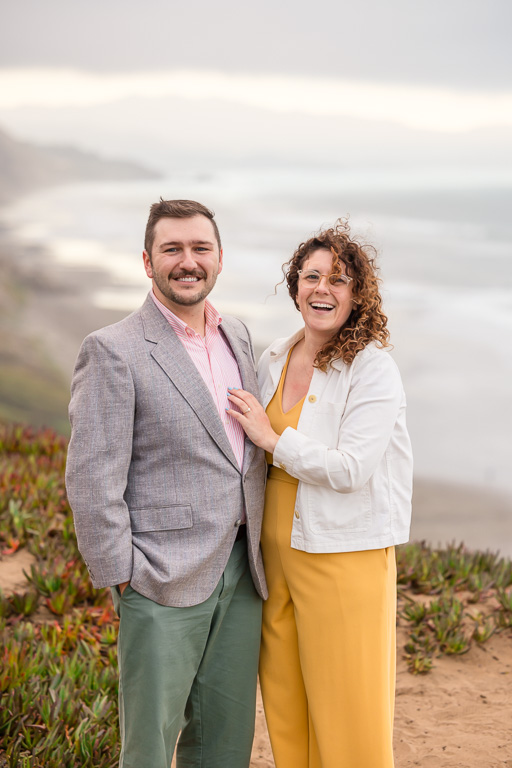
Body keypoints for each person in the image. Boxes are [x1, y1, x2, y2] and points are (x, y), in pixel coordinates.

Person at [65, 199, 267, 768]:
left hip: (242, 569)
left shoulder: (240, 337)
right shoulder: (112, 349)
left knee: (225, 741)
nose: (187, 261)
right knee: (150, 746)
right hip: (157, 576)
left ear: (220, 259)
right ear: (147, 261)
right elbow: (90, 475)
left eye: (200, 248)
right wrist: (121, 577)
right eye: (172, 249)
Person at [226, 219, 413, 768]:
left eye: (338, 279)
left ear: (357, 294)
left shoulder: (373, 368)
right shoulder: (274, 359)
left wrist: (270, 436)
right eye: (311, 277)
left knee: (347, 708)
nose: (322, 289)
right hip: (273, 559)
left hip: (342, 557)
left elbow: (353, 467)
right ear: (295, 287)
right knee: (287, 703)